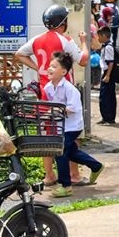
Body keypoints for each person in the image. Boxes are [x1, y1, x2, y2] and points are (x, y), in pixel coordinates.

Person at [14, 4, 88, 186]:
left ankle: (49, 175)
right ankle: (74, 175)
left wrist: (38, 69)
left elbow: (19, 54)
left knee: (47, 133)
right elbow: (83, 60)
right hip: (62, 91)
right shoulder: (65, 40)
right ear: (63, 22)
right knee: (68, 133)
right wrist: (84, 42)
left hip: (45, 93)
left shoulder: (37, 40)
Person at [45, 52, 104, 198]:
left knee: (61, 152)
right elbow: (53, 107)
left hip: (72, 126)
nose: (49, 69)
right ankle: (96, 166)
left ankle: (66, 185)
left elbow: (73, 109)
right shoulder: (48, 88)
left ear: (64, 72)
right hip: (61, 125)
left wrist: (57, 111)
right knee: (71, 152)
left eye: (54, 66)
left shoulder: (70, 89)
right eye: (49, 66)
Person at [96, 27, 118, 125]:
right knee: (104, 96)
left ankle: (109, 118)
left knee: (107, 97)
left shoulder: (109, 47)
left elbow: (111, 63)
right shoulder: (105, 46)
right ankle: (105, 117)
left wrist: (108, 75)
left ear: (104, 36)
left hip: (108, 73)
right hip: (105, 73)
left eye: (99, 36)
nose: (98, 38)